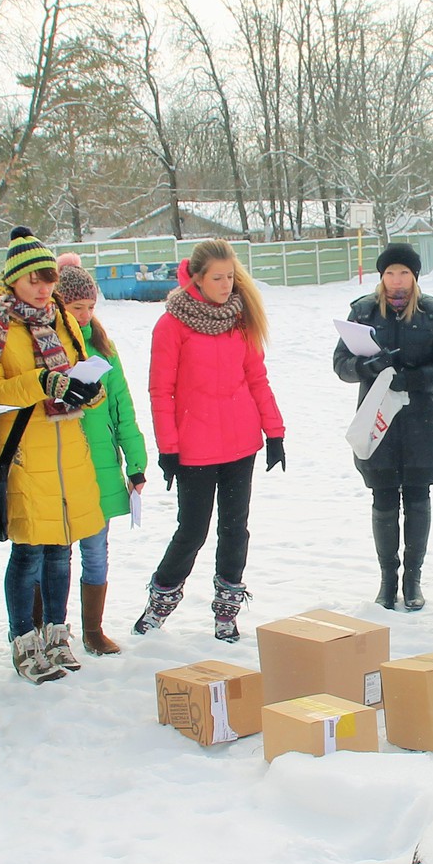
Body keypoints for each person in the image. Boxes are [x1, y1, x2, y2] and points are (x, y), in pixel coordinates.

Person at [0, 229, 108, 679]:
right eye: (34, 279)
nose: (44, 288)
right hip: (25, 447)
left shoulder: (61, 319)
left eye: (49, 278)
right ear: (13, 279)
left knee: (60, 550)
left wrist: (90, 390)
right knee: (29, 552)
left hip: (68, 449)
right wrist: (40, 382)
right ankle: (23, 640)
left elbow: (78, 370)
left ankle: (56, 634)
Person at [138, 239, 287, 642]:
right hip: (195, 447)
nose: (226, 285)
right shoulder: (171, 325)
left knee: (235, 528)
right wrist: (168, 447)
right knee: (192, 530)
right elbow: (160, 390)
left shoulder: (240, 320)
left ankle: (227, 610)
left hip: (241, 444)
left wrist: (274, 432)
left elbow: (257, 377)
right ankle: (160, 603)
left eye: (231, 277)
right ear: (197, 278)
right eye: (218, 278)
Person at [333, 244, 433, 611]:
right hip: (377, 422)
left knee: (418, 497)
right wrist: (364, 369)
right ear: (381, 276)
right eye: (390, 273)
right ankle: (388, 581)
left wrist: (413, 380)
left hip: (421, 420)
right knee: (384, 497)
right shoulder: (363, 311)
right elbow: (340, 362)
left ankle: (413, 580)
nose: (396, 281)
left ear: (415, 277)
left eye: (403, 273)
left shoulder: (432, 314)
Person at [57, 263, 149, 652]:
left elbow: (122, 409)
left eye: (90, 307)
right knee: (56, 554)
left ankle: (92, 629)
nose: (84, 315)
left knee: (96, 550)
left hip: (100, 468)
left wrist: (137, 462)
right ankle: (51, 628)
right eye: (76, 307)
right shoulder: (50, 349)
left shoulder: (103, 350)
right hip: (59, 468)